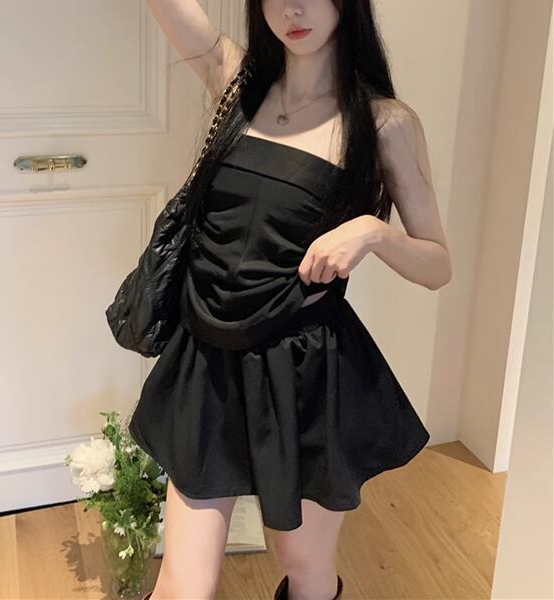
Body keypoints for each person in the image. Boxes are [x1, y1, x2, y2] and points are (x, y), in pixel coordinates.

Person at [132, 1, 452, 599]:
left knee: (302, 564)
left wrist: (374, 232)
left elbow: (438, 265)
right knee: (183, 582)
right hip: (209, 360)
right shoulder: (237, 82)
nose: (293, 8)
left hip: (304, 373)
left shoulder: (384, 123)